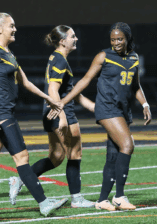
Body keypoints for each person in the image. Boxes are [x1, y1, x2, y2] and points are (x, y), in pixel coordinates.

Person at [0, 10, 68, 219]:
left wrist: (47, 98)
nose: (15, 29)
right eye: (11, 25)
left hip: (5, 112)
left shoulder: (8, 53)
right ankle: (44, 203)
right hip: (1, 114)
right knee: (22, 157)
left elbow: (25, 82)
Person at [55, 22, 152, 211]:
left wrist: (145, 104)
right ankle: (120, 196)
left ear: (127, 39)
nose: (116, 42)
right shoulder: (103, 56)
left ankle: (102, 200)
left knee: (113, 156)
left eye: (120, 39)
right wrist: (64, 101)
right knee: (127, 145)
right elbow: (85, 80)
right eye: (113, 39)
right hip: (107, 108)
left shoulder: (134, 57)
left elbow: (135, 85)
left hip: (123, 111)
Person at [9, 25, 96, 208]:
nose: (76, 39)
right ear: (63, 41)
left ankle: (21, 180)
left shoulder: (57, 58)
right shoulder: (60, 60)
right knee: (75, 153)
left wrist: (92, 107)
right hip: (61, 113)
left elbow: (70, 91)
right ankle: (77, 199)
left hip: (48, 113)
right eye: (73, 36)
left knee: (56, 156)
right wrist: (62, 116)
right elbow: (53, 90)